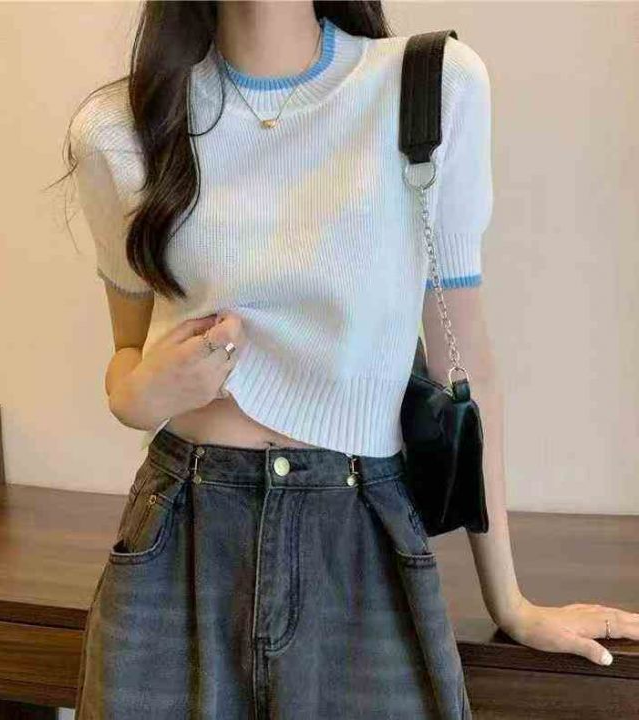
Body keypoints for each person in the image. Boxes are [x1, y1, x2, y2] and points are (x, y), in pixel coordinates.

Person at [64, 2, 639, 718]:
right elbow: (126, 358)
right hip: (181, 529)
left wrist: (510, 602)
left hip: (361, 529)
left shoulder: (429, 88)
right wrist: (139, 396)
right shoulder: (121, 126)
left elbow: (466, 366)